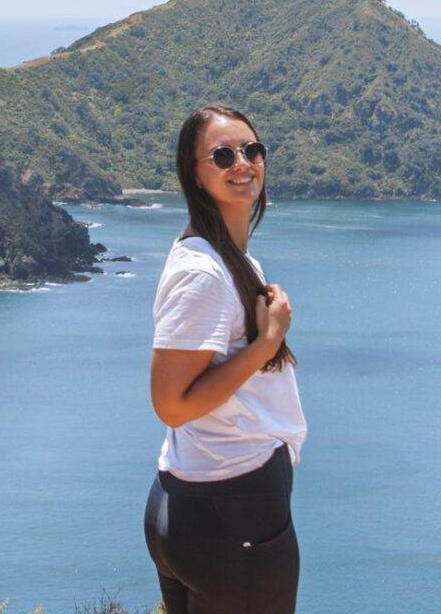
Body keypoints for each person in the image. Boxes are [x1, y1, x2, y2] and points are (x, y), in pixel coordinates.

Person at [143, 104, 307, 614]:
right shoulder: (204, 273)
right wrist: (265, 344)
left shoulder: (223, 256)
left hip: (203, 506)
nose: (243, 162)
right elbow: (171, 404)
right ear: (193, 173)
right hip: (233, 517)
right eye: (222, 155)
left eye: (251, 150)